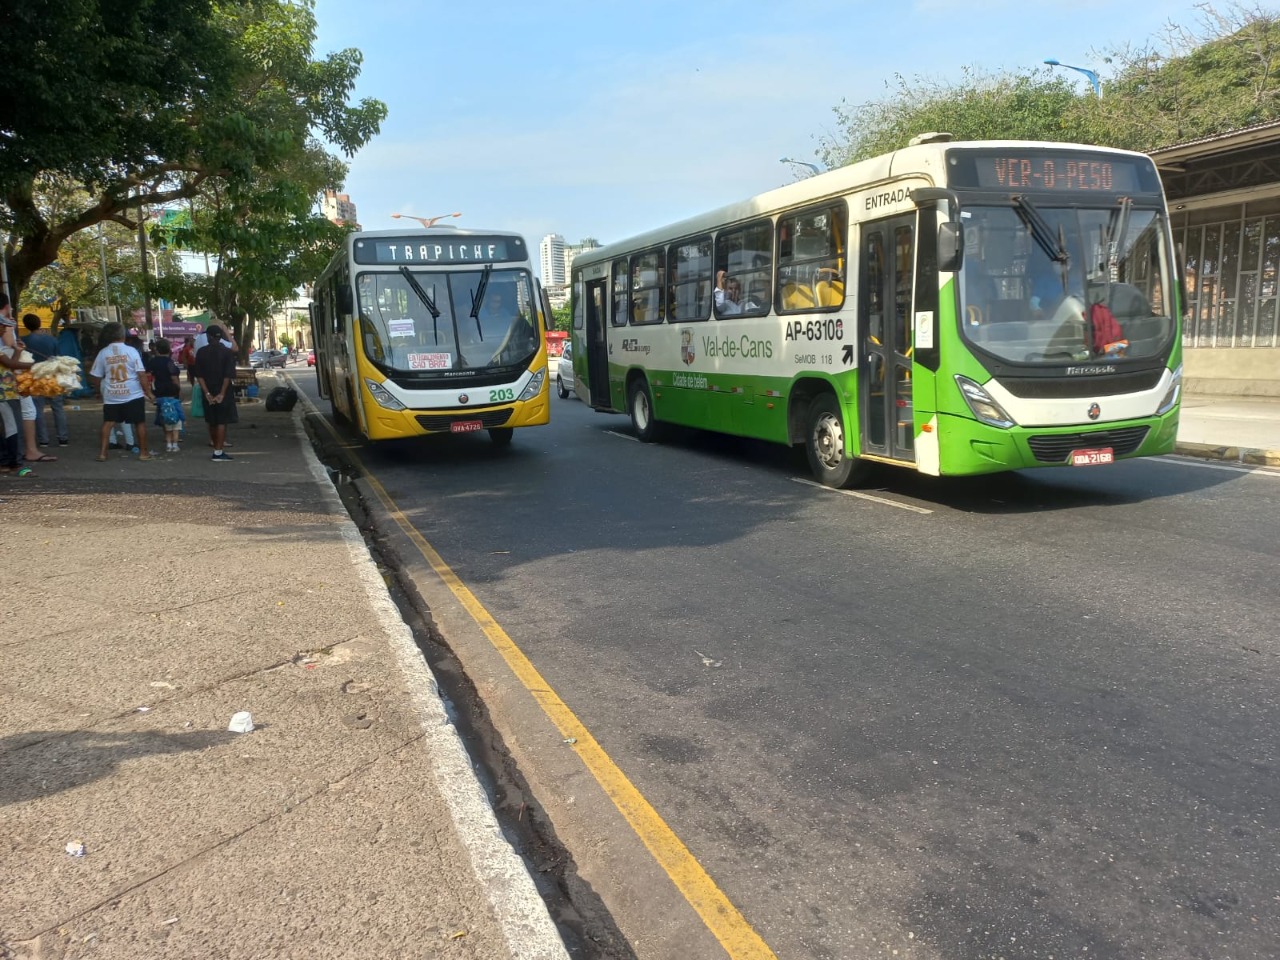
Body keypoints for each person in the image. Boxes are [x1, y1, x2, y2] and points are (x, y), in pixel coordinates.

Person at [90, 321, 155, 461]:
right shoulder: (131, 351)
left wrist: (98, 391)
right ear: (123, 335)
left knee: (108, 422)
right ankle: (143, 453)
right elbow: (141, 374)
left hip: (111, 394)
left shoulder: (103, 353)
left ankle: (103, 453)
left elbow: (96, 376)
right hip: (133, 394)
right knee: (139, 422)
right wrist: (148, 392)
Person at [0, 294, 36, 476]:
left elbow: (11, 361)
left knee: (7, 427)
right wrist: (36, 365)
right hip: (3, 394)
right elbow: (10, 364)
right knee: (11, 427)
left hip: (8, 391)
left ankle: (8, 461)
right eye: (3, 326)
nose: (5, 329)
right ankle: (15, 463)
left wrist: (17, 350)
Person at [22, 313, 69, 447]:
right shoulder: (52, 340)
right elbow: (58, 357)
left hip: (34, 378)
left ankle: (43, 440)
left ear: (25, 325)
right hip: (52, 377)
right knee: (58, 408)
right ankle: (63, 438)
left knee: (38, 410)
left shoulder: (23, 340)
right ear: (40, 323)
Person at [194, 323, 238, 461]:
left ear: (208, 337)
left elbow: (199, 376)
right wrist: (222, 394)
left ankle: (215, 448)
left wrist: (207, 393)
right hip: (223, 391)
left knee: (212, 421)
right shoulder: (227, 352)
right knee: (221, 422)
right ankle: (218, 452)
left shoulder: (201, 352)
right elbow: (228, 375)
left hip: (208, 390)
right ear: (220, 337)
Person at [146, 338, 184, 453]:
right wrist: (179, 390)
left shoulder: (152, 362)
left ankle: (166, 435)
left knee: (163, 412)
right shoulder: (169, 362)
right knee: (173, 411)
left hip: (158, 390)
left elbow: (148, 376)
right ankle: (174, 436)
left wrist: (149, 391)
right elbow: (174, 377)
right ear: (169, 350)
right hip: (171, 391)